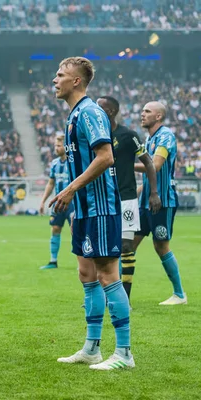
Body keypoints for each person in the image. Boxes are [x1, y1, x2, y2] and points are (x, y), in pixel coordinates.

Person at [49, 57, 133, 370]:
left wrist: (70, 189)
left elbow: (105, 157)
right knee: (87, 274)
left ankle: (124, 353)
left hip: (102, 208)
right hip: (84, 211)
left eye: (60, 75)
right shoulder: (73, 116)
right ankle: (92, 348)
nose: (54, 80)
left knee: (109, 275)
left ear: (77, 82)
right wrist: (74, 203)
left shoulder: (90, 112)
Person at [96, 96, 161, 301]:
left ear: (112, 112)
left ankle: (125, 298)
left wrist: (153, 193)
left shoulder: (128, 135)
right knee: (102, 248)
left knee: (125, 247)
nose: (97, 111)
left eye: (101, 108)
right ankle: (101, 295)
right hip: (102, 198)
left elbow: (149, 163)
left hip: (126, 197)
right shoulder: (94, 135)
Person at [133, 101, 186, 305]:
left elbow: (154, 165)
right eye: (142, 109)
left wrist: (125, 164)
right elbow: (148, 177)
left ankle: (179, 294)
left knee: (161, 246)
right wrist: (135, 192)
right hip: (145, 202)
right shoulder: (149, 138)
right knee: (128, 244)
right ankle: (113, 292)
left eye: (147, 111)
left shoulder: (165, 136)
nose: (142, 113)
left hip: (162, 201)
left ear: (158, 117)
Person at [39, 134, 73, 270]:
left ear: (66, 146)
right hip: (57, 204)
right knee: (55, 229)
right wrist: (43, 201)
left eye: (58, 145)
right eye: (55, 145)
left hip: (72, 203)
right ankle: (53, 261)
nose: (56, 148)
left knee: (75, 231)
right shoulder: (54, 163)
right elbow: (51, 183)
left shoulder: (73, 162)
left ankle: (83, 262)